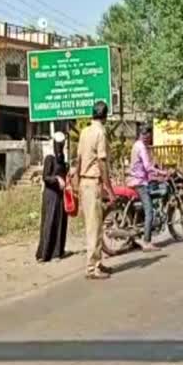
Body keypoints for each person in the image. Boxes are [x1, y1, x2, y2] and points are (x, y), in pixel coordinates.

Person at [75, 101, 116, 279]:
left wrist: (76, 182)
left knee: (97, 225)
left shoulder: (84, 131)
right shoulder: (101, 132)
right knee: (94, 227)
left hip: (84, 182)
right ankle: (92, 268)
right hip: (93, 182)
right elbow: (102, 161)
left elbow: (78, 158)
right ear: (105, 116)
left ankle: (97, 262)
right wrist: (109, 188)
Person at [127, 125, 167, 252]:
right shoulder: (142, 147)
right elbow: (147, 166)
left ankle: (139, 236)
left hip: (134, 180)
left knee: (146, 207)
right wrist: (161, 172)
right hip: (139, 182)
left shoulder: (136, 145)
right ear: (146, 135)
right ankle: (147, 242)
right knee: (150, 211)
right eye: (149, 137)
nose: (150, 140)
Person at [35, 131, 69, 263]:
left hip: (60, 195)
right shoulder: (49, 158)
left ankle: (57, 252)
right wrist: (57, 179)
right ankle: (44, 253)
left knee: (60, 222)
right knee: (49, 223)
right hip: (50, 195)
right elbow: (45, 177)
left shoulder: (62, 158)